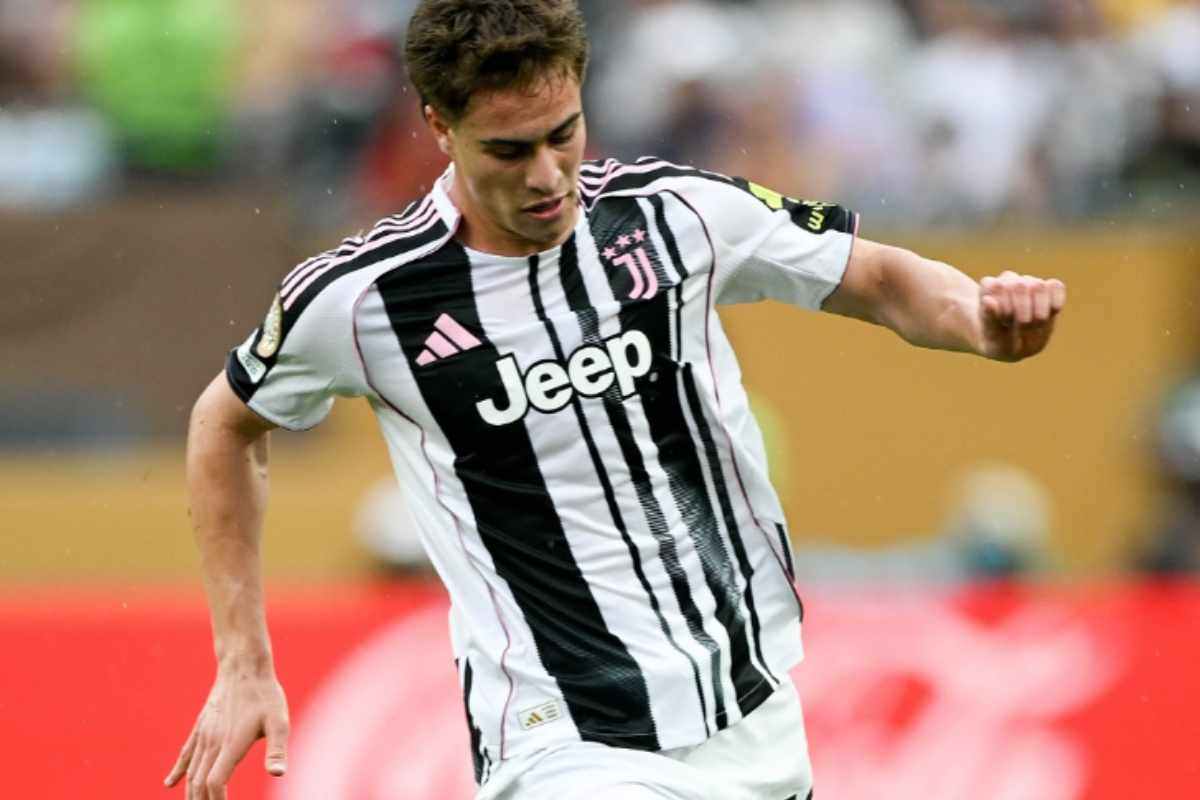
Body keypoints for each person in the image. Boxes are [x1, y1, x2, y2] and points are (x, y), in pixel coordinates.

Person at [164, 2, 1068, 798]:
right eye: (509, 150)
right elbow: (224, 423)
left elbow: (875, 278)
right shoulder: (363, 299)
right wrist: (242, 660)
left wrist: (981, 322)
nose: (546, 175)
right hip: (559, 735)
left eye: (562, 133)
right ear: (439, 125)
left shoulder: (676, 216)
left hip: (751, 708)